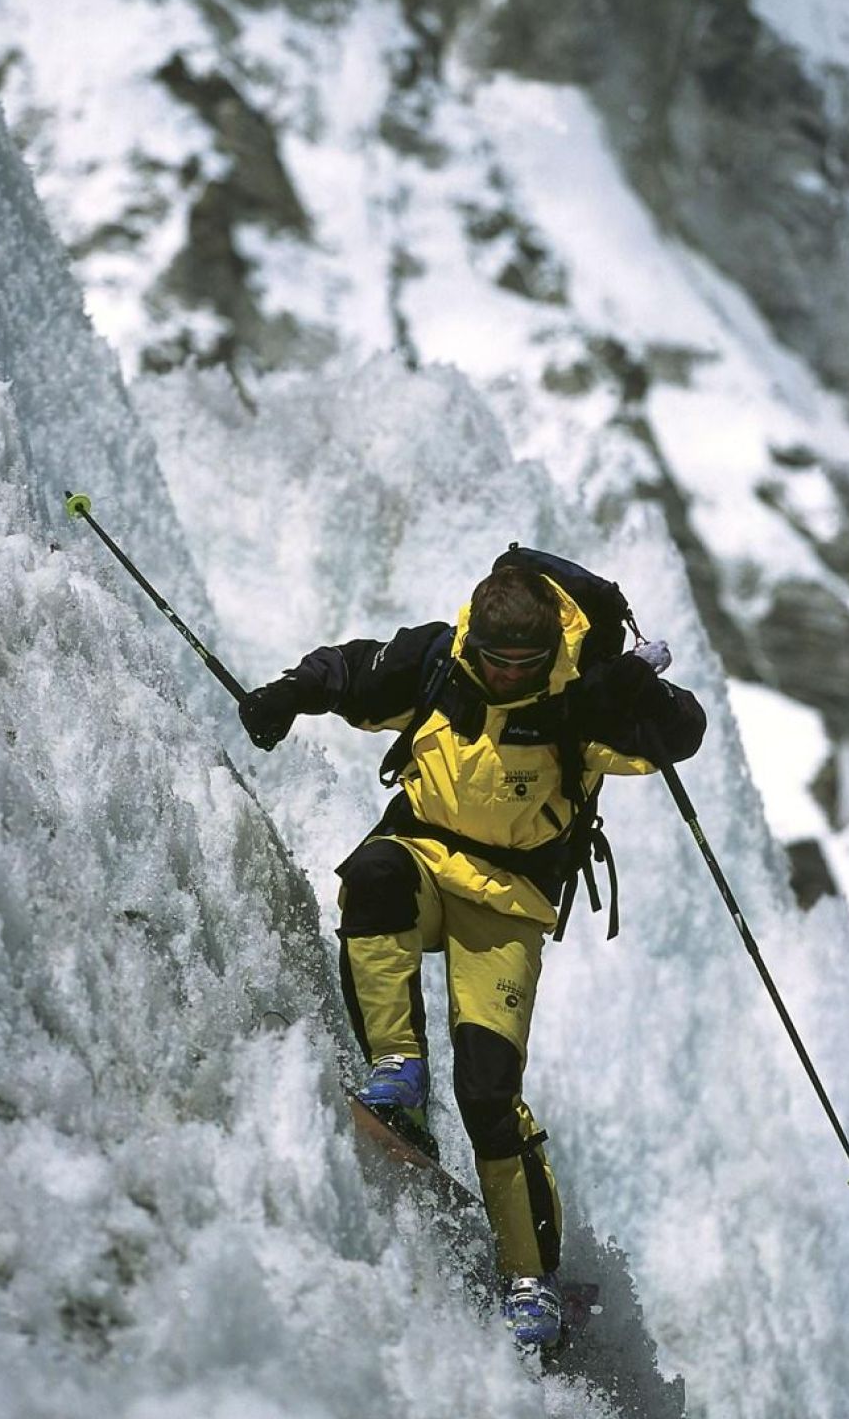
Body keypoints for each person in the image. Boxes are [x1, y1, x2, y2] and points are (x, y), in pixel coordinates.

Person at [238, 560, 706, 1348]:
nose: (504, 674)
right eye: (495, 659)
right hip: (421, 856)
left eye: (521, 664)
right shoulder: (439, 664)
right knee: (375, 873)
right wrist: (287, 694)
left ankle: (531, 1278)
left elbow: (681, 733)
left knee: (490, 1089)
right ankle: (398, 1075)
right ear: (476, 639)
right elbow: (350, 669)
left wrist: (639, 694)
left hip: (510, 902)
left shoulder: (577, 699)